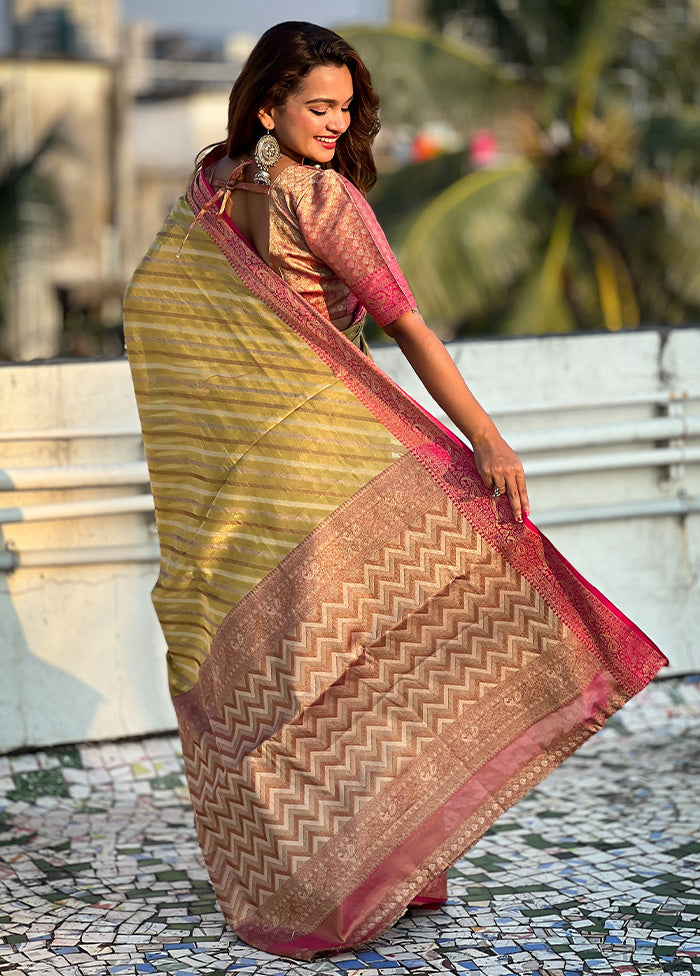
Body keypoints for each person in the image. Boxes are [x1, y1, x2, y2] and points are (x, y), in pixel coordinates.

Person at [124, 22, 666, 961]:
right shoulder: (324, 200)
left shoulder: (211, 186)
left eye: (344, 106)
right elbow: (410, 329)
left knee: (290, 672)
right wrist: (485, 438)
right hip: (329, 462)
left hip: (248, 484)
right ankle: (377, 868)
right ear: (270, 107)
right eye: (317, 107)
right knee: (386, 644)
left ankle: (346, 872)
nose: (335, 124)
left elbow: (152, 302)